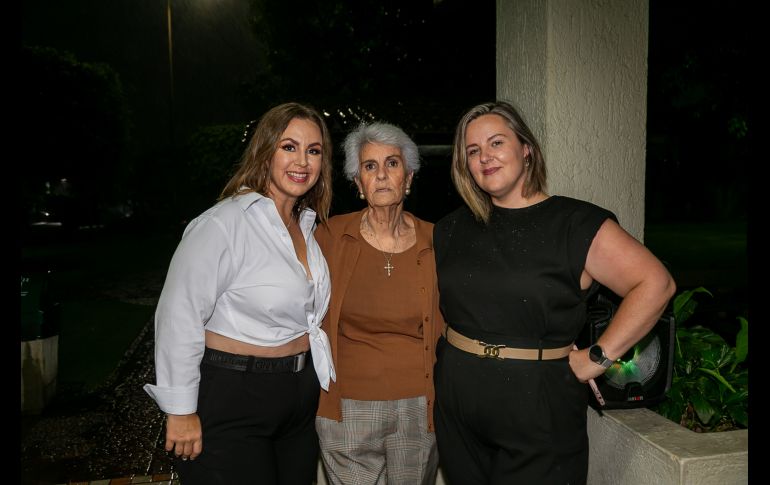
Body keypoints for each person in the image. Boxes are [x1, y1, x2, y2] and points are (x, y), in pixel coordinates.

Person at [432, 101, 676, 484]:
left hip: (539, 408)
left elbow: (656, 283)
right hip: (457, 406)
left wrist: (598, 357)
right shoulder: (450, 228)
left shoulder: (575, 223)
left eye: (496, 143)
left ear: (526, 148)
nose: (485, 157)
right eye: (473, 150)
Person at [143, 102, 335, 485]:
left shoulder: (305, 226)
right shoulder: (223, 223)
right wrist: (180, 410)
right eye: (289, 147)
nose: (302, 161)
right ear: (265, 151)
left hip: (298, 400)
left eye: (314, 150)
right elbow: (178, 315)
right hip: (234, 396)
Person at [314, 121, 443, 485]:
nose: (382, 175)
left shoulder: (437, 241)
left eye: (392, 163)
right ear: (357, 183)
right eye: (370, 166)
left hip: (420, 407)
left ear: (409, 177)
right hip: (347, 407)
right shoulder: (329, 236)